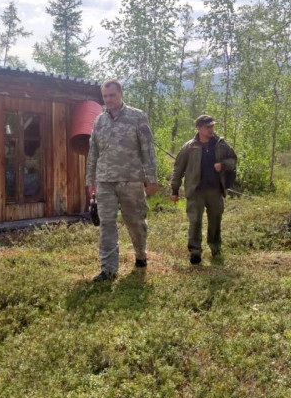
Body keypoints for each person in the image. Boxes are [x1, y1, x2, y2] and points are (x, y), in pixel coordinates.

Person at [86, 79, 159, 281]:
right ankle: (108, 269)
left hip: (131, 179)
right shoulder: (99, 120)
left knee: (135, 222)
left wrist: (151, 178)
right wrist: (90, 180)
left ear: (121, 94)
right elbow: (93, 152)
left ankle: (141, 255)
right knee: (106, 223)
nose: (108, 100)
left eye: (112, 95)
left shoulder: (137, 117)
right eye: (105, 96)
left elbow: (148, 149)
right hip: (105, 180)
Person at [171, 115, 237, 264]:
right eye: (208, 127)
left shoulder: (221, 144)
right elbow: (178, 169)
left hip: (215, 191)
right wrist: (174, 190)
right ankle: (195, 252)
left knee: (215, 221)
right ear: (198, 128)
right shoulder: (189, 147)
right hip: (196, 192)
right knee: (195, 222)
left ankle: (215, 248)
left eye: (212, 126)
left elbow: (233, 159)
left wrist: (223, 165)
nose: (211, 130)